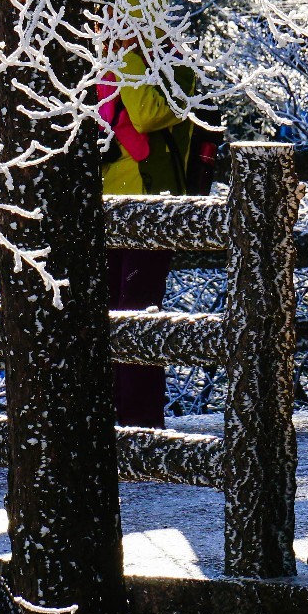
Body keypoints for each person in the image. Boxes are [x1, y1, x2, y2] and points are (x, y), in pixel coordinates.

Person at [97, 43, 215, 427]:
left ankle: (140, 424)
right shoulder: (105, 62)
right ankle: (119, 420)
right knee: (114, 311)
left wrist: (124, 57)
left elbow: (147, 116)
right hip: (110, 203)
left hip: (150, 203)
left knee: (137, 311)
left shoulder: (173, 64)